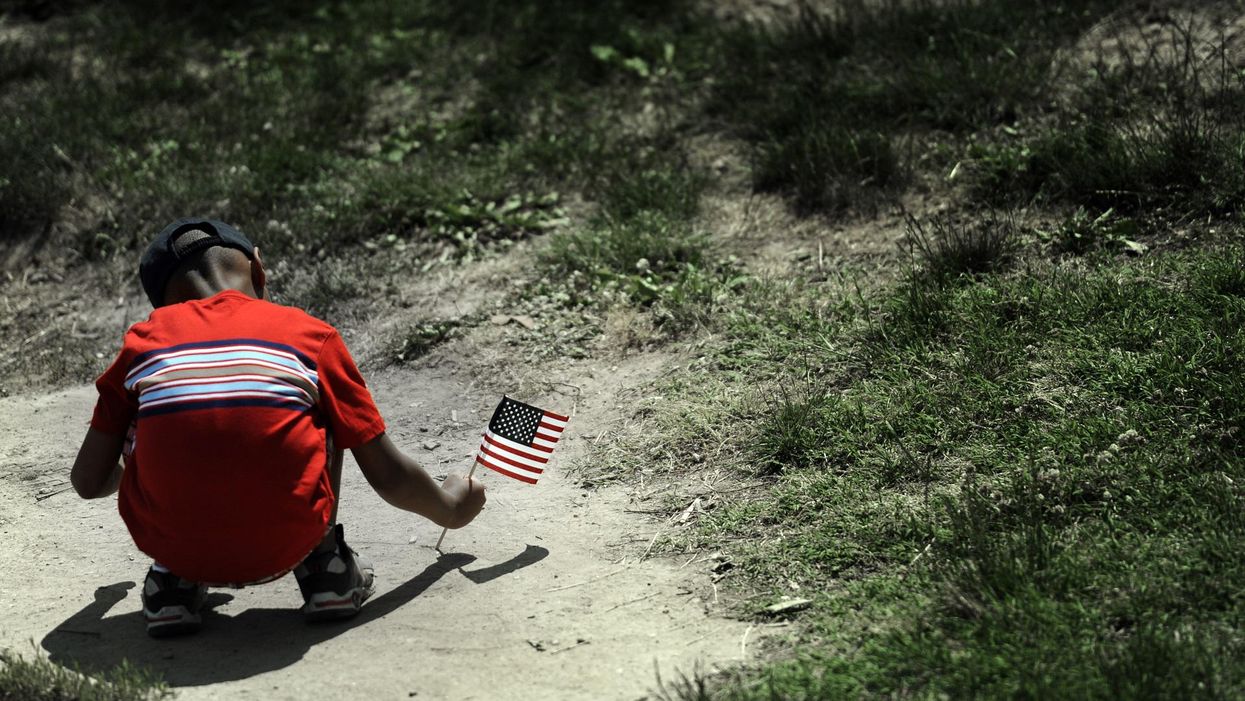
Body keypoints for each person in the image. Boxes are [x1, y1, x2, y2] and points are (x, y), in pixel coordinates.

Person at [70, 218, 486, 637]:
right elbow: (389, 475)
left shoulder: (143, 344)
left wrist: (140, 467)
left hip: (178, 547)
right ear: (258, 267)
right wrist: (452, 508)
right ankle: (327, 571)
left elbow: (88, 481)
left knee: (155, 414)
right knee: (320, 408)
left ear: (162, 307)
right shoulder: (309, 336)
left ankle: (172, 585)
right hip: (289, 541)